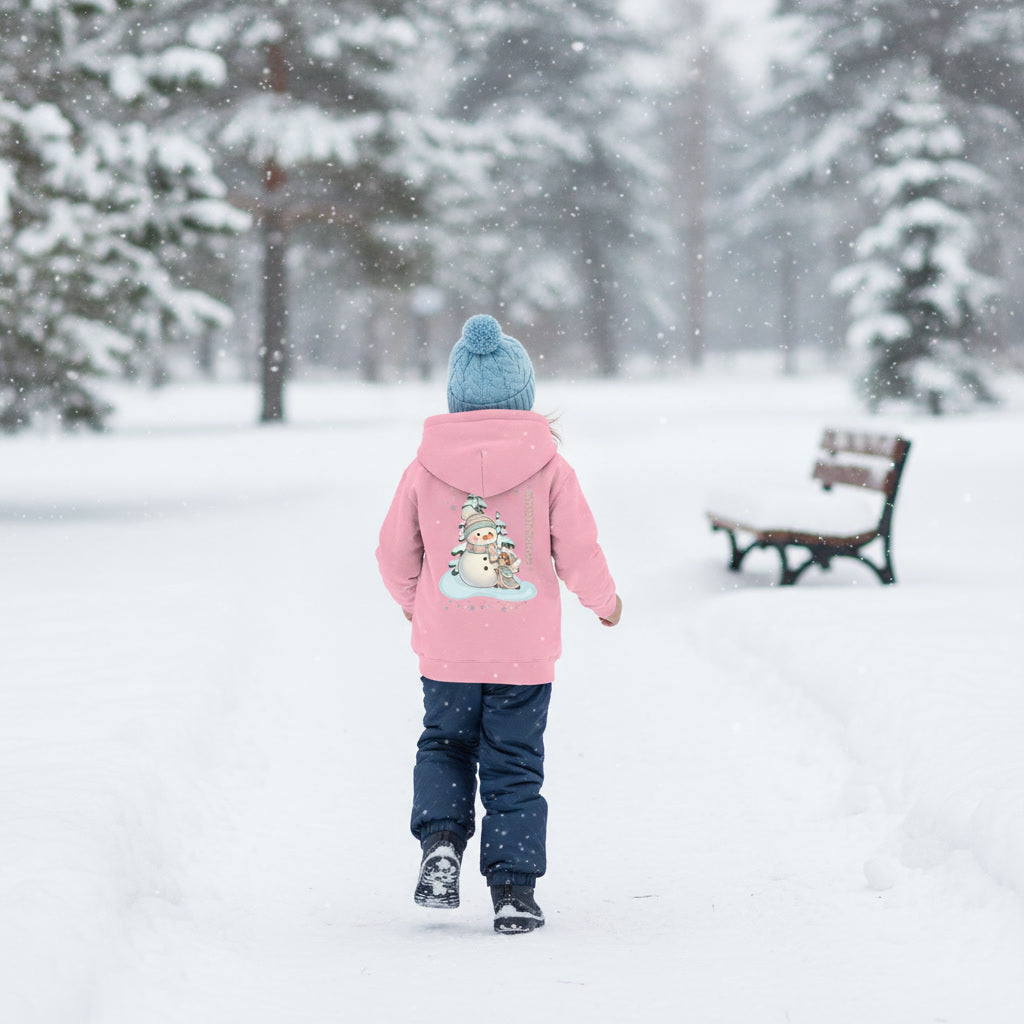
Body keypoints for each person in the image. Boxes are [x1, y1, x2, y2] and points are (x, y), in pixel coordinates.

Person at [376, 313, 622, 935]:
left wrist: (413, 600)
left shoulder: (424, 467)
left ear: (456, 400)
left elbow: (394, 554)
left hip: (448, 649)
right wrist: (604, 602)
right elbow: (580, 550)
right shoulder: (551, 469)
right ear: (525, 398)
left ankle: (440, 845)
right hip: (524, 651)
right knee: (514, 764)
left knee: (446, 746)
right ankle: (514, 889)